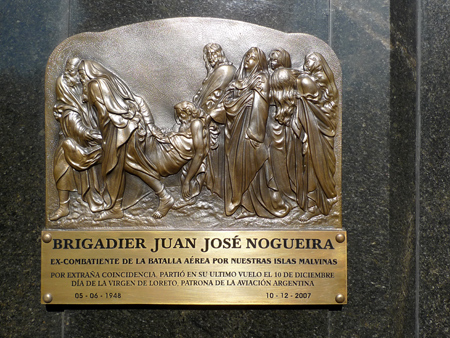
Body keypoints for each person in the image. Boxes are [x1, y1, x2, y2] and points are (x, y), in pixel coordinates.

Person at [79, 60, 174, 220]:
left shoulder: (94, 84)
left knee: (127, 166)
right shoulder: (109, 80)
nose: (81, 77)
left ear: (89, 72)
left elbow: (104, 113)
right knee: (124, 167)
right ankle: (117, 208)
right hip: (128, 129)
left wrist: (104, 137)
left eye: (82, 73)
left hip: (118, 132)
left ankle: (164, 197)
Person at [211, 47, 290, 218]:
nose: (248, 59)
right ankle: (242, 200)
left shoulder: (261, 80)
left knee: (250, 162)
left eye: (253, 57)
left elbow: (259, 105)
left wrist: (255, 131)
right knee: (235, 163)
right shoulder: (240, 81)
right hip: (234, 131)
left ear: (260, 62)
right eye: (247, 56)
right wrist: (235, 97)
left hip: (251, 130)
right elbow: (228, 102)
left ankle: (243, 199)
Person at [271, 52, 338, 218]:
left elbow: (314, 114)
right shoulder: (297, 87)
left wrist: (309, 135)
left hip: (317, 135)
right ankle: (307, 203)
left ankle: (315, 205)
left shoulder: (305, 83)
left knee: (312, 167)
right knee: (301, 168)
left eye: (279, 89)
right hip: (304, 133)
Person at [50, 57, 103, 221]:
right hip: (70, 145)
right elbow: (78, 129)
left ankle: (85, 202)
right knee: (62, 172)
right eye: (77, 74)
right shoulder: (69, 110)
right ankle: (64, 207)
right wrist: (97, 135)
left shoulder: (81, 99)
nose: (80, 79)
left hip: (82, 144)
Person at [146, 101, 211, 208]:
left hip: (190, 159)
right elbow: (177, 135)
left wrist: (187, 181)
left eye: (181, 115)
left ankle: (189, 198)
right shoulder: (183, 125)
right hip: (176, 156)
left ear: (188, 112)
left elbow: (199, 152)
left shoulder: (196, 124)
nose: (180, 118)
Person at [192, 43, 236, 197]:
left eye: (213, 53)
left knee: (213, 155)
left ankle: (215, 189)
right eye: (208, 54)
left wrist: (204, 114)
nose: (211, 57)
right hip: (206, 118)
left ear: (220, 53)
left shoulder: (225, 70)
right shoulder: (217, 71)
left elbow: (214, 97)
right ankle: (209, 188)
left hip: (216, 122)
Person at [267, 48, 296, 203]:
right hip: (275, 120)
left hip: (277, 121)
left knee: (278, 154)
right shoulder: (278, 74)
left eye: (275, 60)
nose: (271, 62)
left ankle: (283, 189)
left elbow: (278, 99)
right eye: (270, 59)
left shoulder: (281, 74)